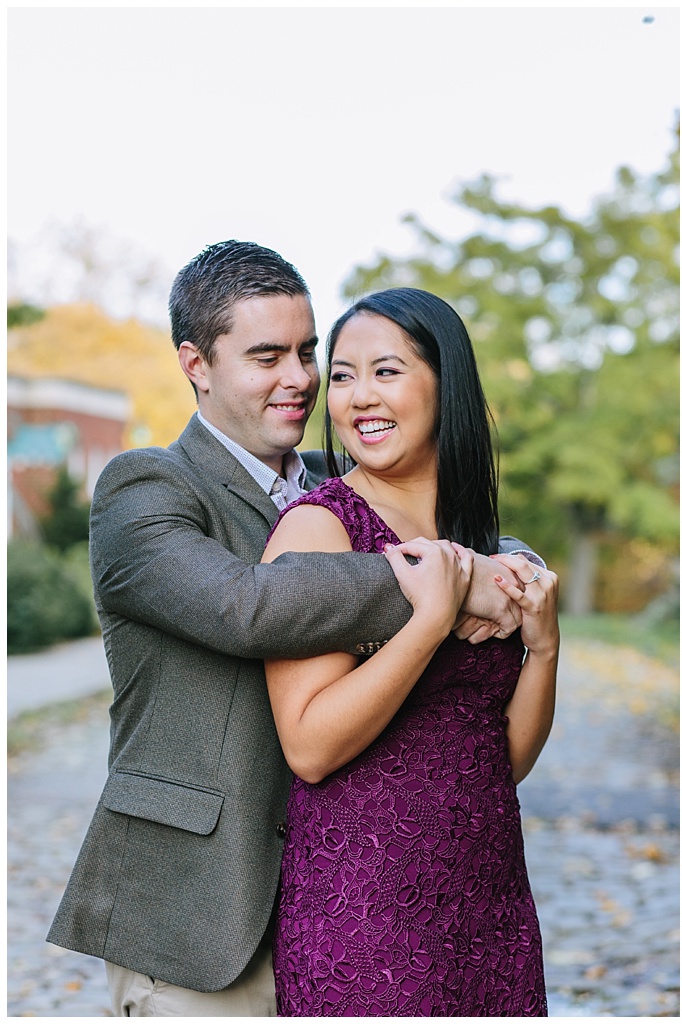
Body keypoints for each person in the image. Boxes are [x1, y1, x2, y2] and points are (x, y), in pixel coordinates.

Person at [46, 241, 538, 1017]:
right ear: (196, 364)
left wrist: (516, 566)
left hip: (351, 893)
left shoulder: (338, 477)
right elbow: (247, 606)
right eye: (267, 355)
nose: (301, 379)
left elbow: (441, 509)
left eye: (310, 353)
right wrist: (460, 581)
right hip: (201, 913)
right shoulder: (143, 490)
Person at [260, 287, 558, 1015]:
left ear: (444, 384)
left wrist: (544, 649)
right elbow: (308, 746)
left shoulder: (487, 548)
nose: (360, 396)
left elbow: (503, 758)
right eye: (343, 375)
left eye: (386, 371)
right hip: (363, 918)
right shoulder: (319, 530)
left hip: (490, 913)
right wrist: (429, 623)